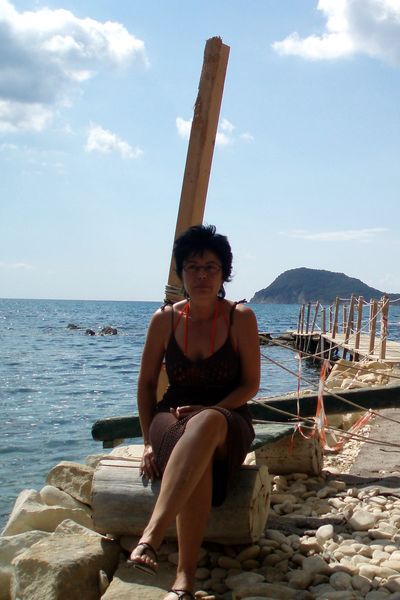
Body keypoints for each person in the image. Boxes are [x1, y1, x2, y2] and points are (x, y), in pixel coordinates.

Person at [127, 224, 259, 600]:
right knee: (196, 450)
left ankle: (151, 536)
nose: (202, 275)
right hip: (171, 417)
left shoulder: (240, 317)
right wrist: (147, 443)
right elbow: (146, 384)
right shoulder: (164, 319)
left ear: (223, 273)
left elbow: (250, 385)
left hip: (228, 418)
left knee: (207, 422)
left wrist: (212, 409)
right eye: (193, 267)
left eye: (210, 267)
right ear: (181, 273)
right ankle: (184, 581)